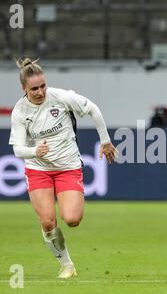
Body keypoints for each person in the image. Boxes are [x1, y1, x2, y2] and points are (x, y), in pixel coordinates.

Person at [9, 58, 118, 279]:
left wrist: (105, 141)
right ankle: (67, 266)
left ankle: (65, 254)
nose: (40, 92)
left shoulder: (61, 98)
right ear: (24, 88)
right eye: (34, 88)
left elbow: (93, 110)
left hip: (68, 166)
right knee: (48, 220)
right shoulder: (20, 111)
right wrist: (34, 152)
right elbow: (18, 150)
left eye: (42, 86)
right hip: (37, 169)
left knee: (72, 219)